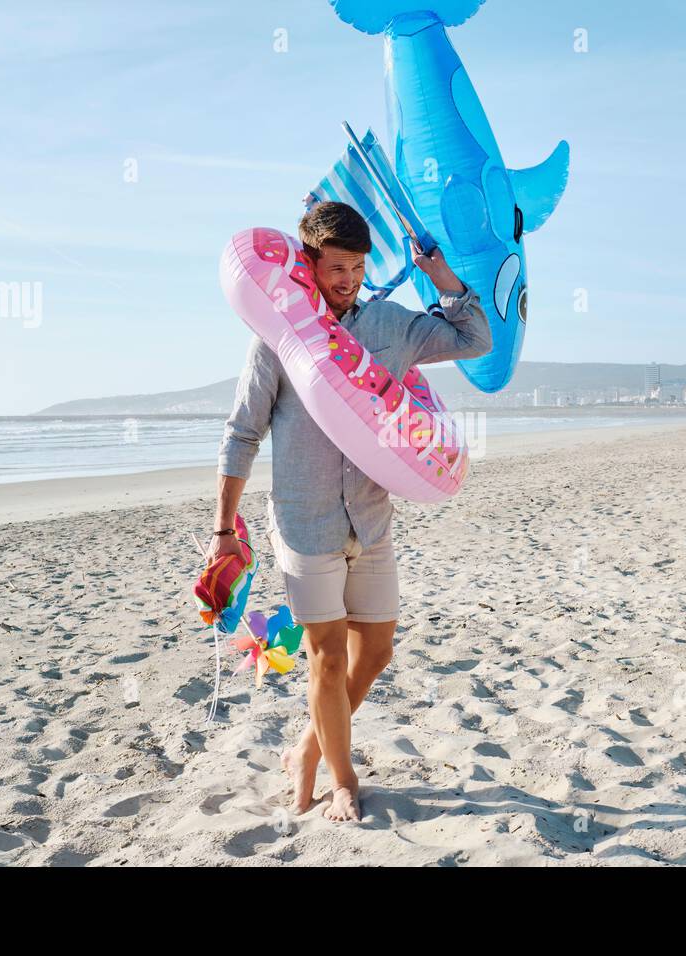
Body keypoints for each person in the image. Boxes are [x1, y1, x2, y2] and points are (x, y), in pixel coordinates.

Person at [210, 201, 490, 821]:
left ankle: (307, 744)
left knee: (378, 650)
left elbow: (475, 338)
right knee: (327, 657)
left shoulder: (391, 326)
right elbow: (241, 434)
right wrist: (223, 530)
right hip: (305, 521)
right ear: (308, 263)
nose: (348, 280)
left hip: (371, 516)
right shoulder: (279, 337)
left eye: (358, 267)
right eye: (337, 267)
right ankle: (339, 777)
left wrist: (440, 275)